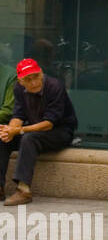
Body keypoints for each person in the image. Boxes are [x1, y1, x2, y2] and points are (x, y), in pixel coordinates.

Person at [0, 59, 79, 206]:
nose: (34, 82)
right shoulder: (18, 89)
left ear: (41, 72)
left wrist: (20, 130)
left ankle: (23, 190)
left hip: (60, 131)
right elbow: (18, 116)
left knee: (29, 138)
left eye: (36, 76)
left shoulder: (55, 86)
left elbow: (49, 124)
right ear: (21, 81)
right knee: (3, 138)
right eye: (28, 79)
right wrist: (10, 131)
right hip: (35, 129)